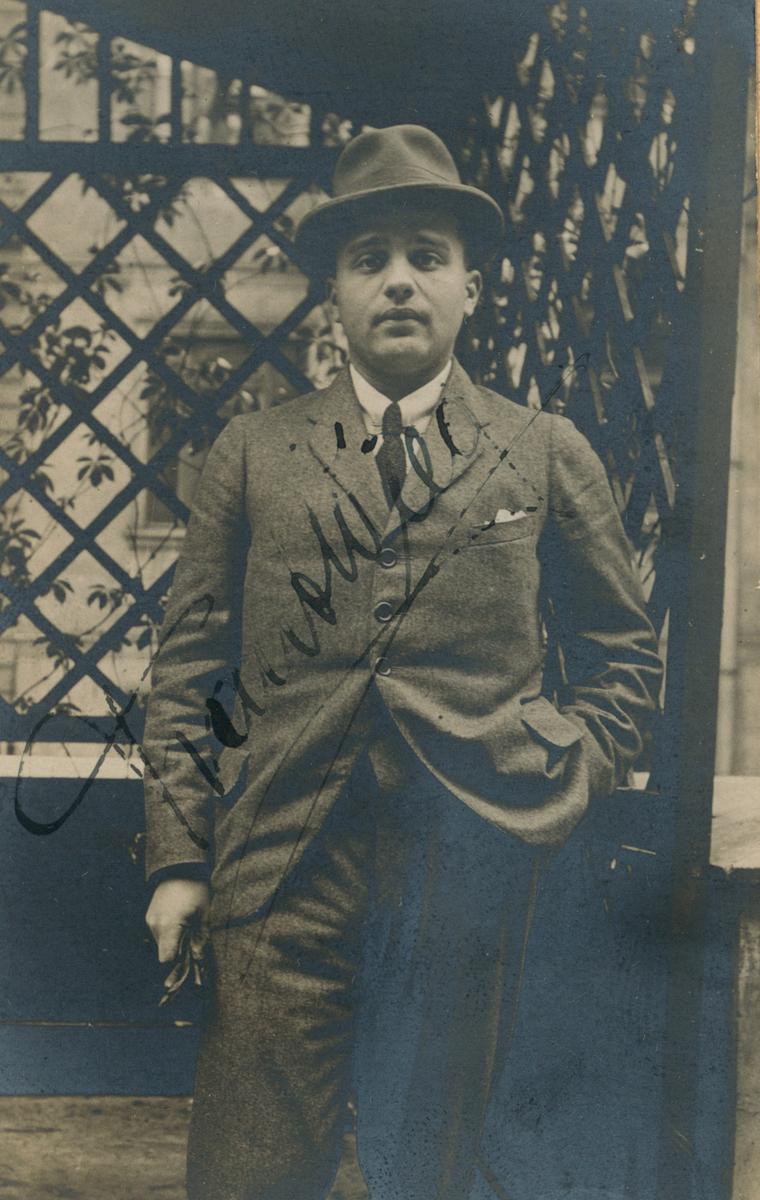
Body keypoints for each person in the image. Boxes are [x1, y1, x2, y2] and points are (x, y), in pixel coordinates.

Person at [143, 124, 663, 1200]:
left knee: (432, 1167)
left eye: (427, 256)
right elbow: (193, 669)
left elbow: (622, 653)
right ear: (333, 291)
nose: (398, 282)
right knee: (249, 1170)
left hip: (470, 860)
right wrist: (180, 861)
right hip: (280, 865)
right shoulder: (255, 452)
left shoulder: (542, 448)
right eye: (368, 258)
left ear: (470, 286)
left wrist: (566, 771)